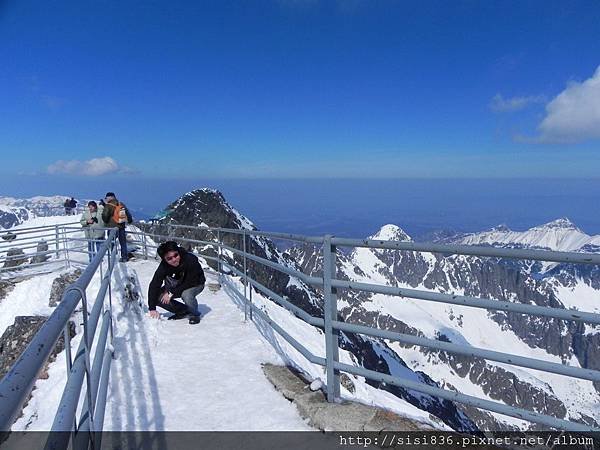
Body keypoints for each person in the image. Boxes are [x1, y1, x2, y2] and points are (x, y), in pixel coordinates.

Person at [148, 241, 205, 324]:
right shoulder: (164, 266)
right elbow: (154, 284)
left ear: (178, 252)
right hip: (177, 284)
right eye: (169, 258)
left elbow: (190, 281)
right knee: (157, 296)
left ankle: (194, 314)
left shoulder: (190, 259)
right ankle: (183, 311)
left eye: (175, 255)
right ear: (164, 259)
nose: (174, 259)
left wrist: (170, 293)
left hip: (196, 283)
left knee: (186, 295)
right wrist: (152, 308)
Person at [102, 192, 132, 262]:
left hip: (112, 227)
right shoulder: (121, 204)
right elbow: (127, 213)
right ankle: (124, 257)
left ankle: (113, 256)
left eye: (106, 198)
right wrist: (129, 221)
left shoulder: (108, 205)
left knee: (112, 242)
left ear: (110, 197)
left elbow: (105, 216)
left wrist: (106, 221)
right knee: (123, 242)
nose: (106, 199)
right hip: (121, 226)